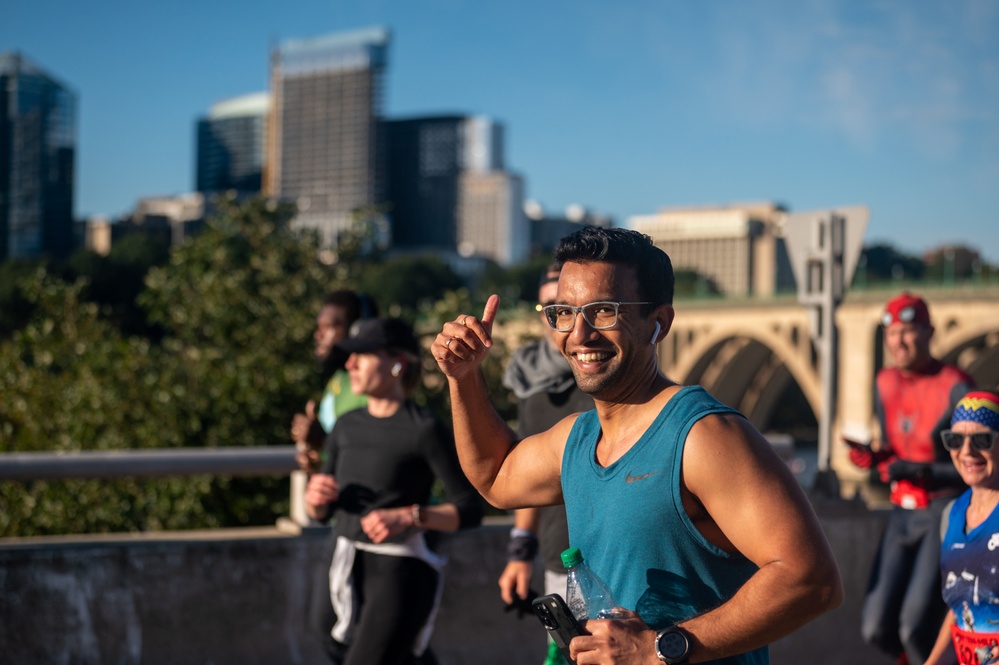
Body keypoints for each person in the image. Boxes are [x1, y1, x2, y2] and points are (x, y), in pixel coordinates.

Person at [433, 226, 843, 665]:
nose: (580, 333)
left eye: (604, 311)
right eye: (564, 312)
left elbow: (811, 580)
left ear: (659, 323)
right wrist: (464, 378)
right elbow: (495, 475)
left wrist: (657, 648)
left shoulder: (703, 436)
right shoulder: (578, 438)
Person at [305, 317, 484, 665]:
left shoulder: (424, 429)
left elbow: (470, 509)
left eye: (363, 356)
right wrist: (315, 499)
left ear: (397, 363)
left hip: (398, 570)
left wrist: (410, 516)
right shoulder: (344, 426)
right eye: (350, 356)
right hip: (341, 562)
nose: (350, 364)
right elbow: (322, 512)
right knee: (339, 650)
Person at [847, 292, 975, 665]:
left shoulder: (956, 385)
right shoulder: (884, 382)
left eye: (908, 332)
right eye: (892, 334)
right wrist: (875, 459)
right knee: (875, 627)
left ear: (929, 332)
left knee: (915, 627)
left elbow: (977, 466)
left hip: (942, 511)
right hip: (900, 512)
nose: (898, 342)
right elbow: (891, 449)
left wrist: (917, 470)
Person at [497, 263, 594, 665]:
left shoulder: (601, 376)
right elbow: (524, 475)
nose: (561, 321)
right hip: (561, 562)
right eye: (550, 310)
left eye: (569, 307)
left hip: (612, 561)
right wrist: (521, 550)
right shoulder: (532, 386)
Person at [924, 391, 999, 665]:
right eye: (955, 440)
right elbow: (960, 605)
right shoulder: (952, 514)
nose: (967, 451)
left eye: (983, 439)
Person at [291, 290, 377, 473]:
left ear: (356, 329)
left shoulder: (369, 381)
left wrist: (323, 441)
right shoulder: (337, 380)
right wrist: (317, 460)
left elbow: (376, 453)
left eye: (327, 327)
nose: (318, 335)